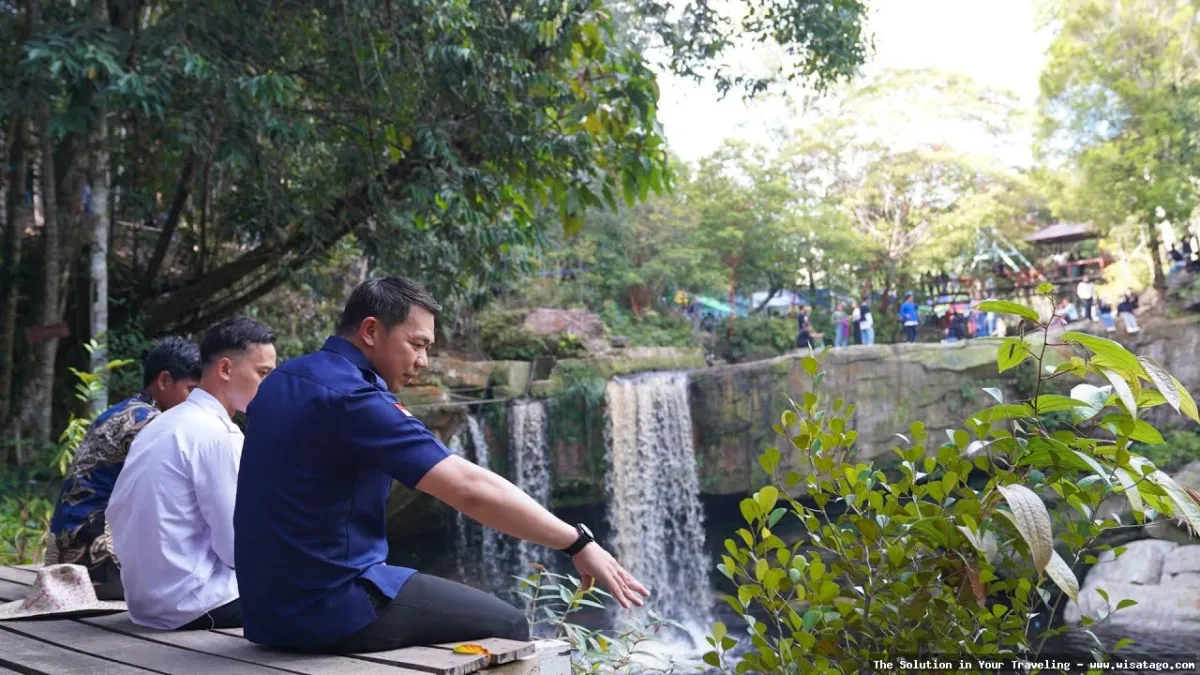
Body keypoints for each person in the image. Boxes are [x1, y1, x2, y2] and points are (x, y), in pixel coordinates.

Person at [234, 277, 650, 654]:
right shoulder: (353, 399)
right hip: (328, 611)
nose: (424, 361)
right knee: (508, 624)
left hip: (267, 613)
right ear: (371, 331)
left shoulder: (283, 379)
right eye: (417, 344)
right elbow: (468, 488)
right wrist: (577, 543)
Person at [106, 316, 278, 630]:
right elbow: (238, 550)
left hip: (145, 603)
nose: (270, 385)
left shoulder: (163, 423)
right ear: (226, 369)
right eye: (262, 373)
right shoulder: (219, 435)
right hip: (196, 604)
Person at [43, 337, 202, 601]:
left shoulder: (119, 412)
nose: (196, 403)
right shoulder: (154, 425)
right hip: (96, 566)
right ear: (163, 381)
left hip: (62, 560)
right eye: (191, 391)